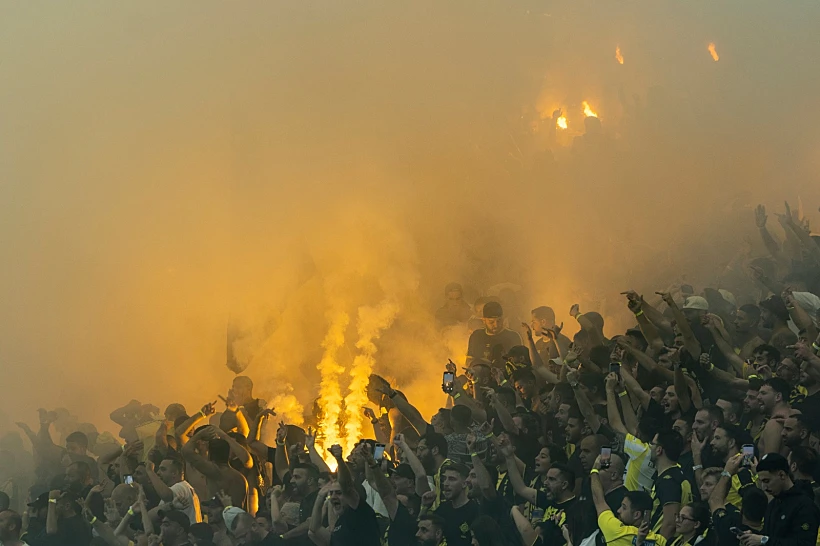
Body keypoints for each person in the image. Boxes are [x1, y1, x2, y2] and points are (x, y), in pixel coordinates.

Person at [739, 453, 820, 546]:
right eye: (761, 482)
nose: (764, 487)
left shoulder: (805, 505)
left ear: (782, 475)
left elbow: (805, 543)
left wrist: (764, 540)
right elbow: (771, 536)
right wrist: (753, 536)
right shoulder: (773, 504)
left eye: (766, 481)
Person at [590, 456, 666, 546]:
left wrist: (594, 470)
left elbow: (599, 500)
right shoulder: (660, 541)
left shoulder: (617, 532)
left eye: (624, 507)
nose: (618, 510)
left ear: (636, 515)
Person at [181, 428, 248, 511]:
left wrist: (200, 434)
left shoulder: (216, 472)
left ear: (210, 454)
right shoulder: (239, 477)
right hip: (237, 517)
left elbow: (186, 451)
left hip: (224, 517)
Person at [649, 430, 692, 539]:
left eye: (652, 444)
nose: (650, 447)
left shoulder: (669, 482)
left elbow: (670, 523)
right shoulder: (675, 474)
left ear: (659, 450)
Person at [427, 463, 480, 546]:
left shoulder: (475, 511)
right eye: (444, 479)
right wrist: (424, 507)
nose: (445, 483)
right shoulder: (442, 509)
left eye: (452, 479)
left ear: (464, 484)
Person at [148, 456, 202, 524]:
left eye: (163, 469)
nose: (158, 473)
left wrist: (150, 471)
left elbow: (166, 495)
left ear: (175, 473)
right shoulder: (183, 487)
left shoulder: (180, 487)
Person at [466, 302, 522, 367]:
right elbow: (469, 360)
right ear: (484, 320)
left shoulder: (513, 337)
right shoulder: (476, 336)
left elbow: (520, 363)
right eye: (491, 322)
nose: (496, 325)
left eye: (499, 321)